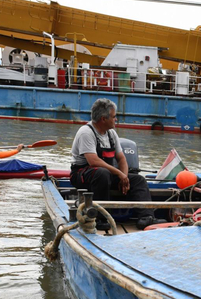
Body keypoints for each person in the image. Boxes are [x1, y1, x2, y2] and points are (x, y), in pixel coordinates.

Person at [70, 98, 163, 230]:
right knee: (102, 174)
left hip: (106, 173)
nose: (116, 119)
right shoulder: (86, 132)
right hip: (82, 175)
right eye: (114, 117)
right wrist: (119, 173)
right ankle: (101, 218)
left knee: (138, 180)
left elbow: (121, 159)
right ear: (103, 119)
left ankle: (146, 217)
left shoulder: (111, 133)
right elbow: (93, 161)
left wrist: (124, 177)